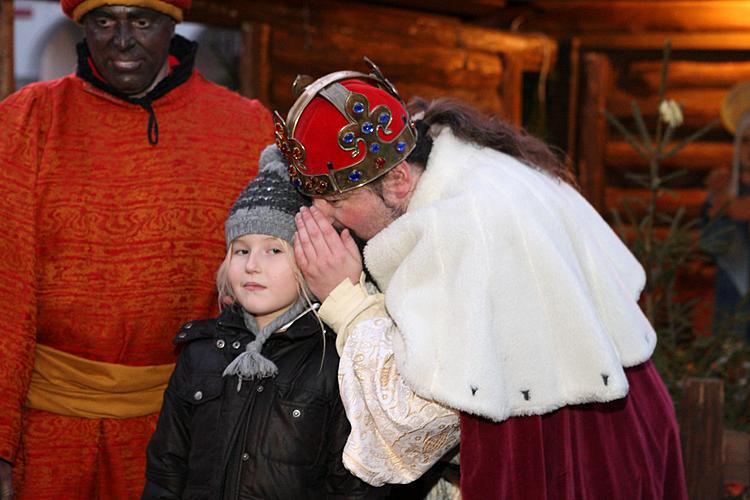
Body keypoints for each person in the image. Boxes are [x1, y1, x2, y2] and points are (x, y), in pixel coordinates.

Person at [278, 62, 688, 499]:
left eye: (337, 201)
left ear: (398, 179)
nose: (321, 217)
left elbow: (414, 428)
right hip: (624, 427)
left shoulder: (458, 227)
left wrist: (349, 303)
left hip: (569, 456)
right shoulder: (472, 161)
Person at [0, 1, 273, 498]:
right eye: (104, 21)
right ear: (82, 25)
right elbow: (5, 290)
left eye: (142, 21)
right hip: (47, 434)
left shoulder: (244, 130)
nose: (121, 40)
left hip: (185, 427)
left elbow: (270, 289)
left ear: (173, 25)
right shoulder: (27, 121)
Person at [143, 147, 382, 499]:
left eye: (274, 250)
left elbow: (351, 487)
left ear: (309, 259)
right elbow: (166, 471)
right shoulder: (200, 353)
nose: (252, 265)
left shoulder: (335, 360)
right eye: (241, 250)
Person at [702, 80, 750, 341]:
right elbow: (709, 241)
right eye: (745, 141)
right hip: (731, 296)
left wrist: (730, 208)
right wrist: (720, 201)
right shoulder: (722, 186)